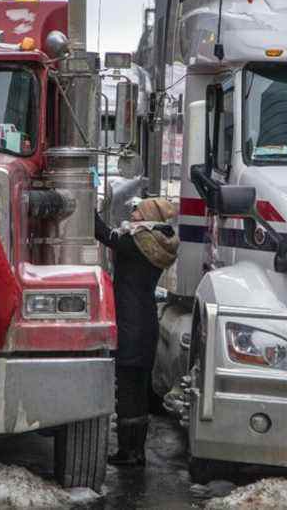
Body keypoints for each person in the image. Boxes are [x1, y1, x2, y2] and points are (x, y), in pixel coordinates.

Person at [95, 198, 180, 466]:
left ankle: (129, 451)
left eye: (137, 210)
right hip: (145, 321)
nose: (132, 213)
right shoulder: (154, 240)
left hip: (131, 323)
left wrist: (87, 206)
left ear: (147, 215)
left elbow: (104, 235)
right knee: (138, 388)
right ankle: (135, 450)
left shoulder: (138, 243)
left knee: (129, 389)